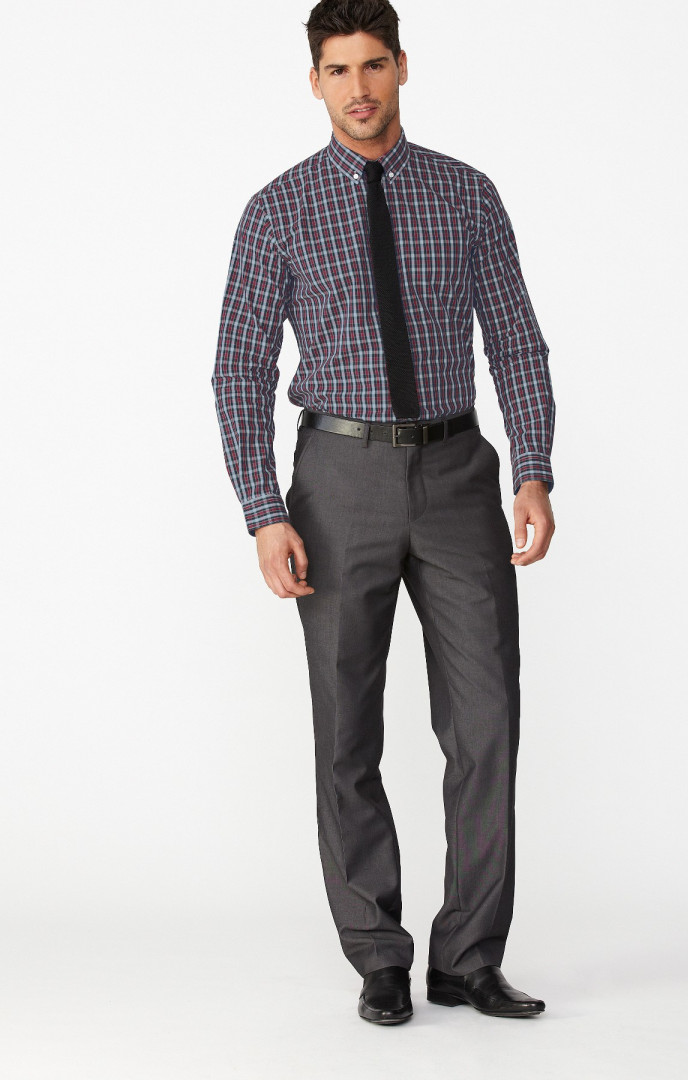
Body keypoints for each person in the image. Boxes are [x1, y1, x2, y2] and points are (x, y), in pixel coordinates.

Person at [211, 0, 556, 1025]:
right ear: (314, 81)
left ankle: (469, 958)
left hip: (456, 476)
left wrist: (533, 470)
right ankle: (378, 954)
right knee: (344, 729)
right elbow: (239, 367)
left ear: (403, 66)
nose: (357, 88)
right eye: (337, 69)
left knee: (487, 723)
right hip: (337, 480)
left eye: (372, 65)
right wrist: (263, 509)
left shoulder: (466, 194)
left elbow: (516, 340)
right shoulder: (277, 209)